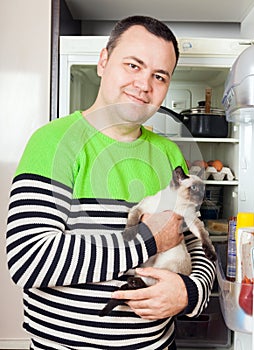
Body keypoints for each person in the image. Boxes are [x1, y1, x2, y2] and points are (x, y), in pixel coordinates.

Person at [6, 15, 215, 350]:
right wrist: (147, 240)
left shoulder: (169, 154)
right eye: (133, 65)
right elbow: (29, 260)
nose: (144, 85)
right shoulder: (53, 142)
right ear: (103, 61)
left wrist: (189, 293)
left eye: (158, 76)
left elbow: (195, 246)